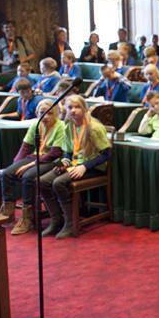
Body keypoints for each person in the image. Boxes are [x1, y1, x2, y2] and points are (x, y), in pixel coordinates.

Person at [39, 95, 112, 239]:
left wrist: (84, 166)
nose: (73, 111)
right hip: (74, 165)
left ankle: (71, 223)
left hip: (93, 167)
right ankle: (57, 219)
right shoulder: (69, 126)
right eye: (70, 107)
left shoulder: (94, 127)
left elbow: (106, 154)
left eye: (77, 107)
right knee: (42, 181)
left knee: (58, 183)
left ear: (84, 109)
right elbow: (67, 151)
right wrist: (65, 160)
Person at [0, 98, 67, 234]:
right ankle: (8, 210)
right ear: (37, 113)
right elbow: (25, 147)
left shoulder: (61, 126)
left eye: (49, 113)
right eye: (42, 112)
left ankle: (27, 217)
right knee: (7, 173)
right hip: (36, 157)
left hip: (52, 160)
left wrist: (28, 165)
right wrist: (16, 165)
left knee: (28, 176)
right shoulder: (36, 124)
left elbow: (55, 153)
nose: (45, 116)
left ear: (56, 114)